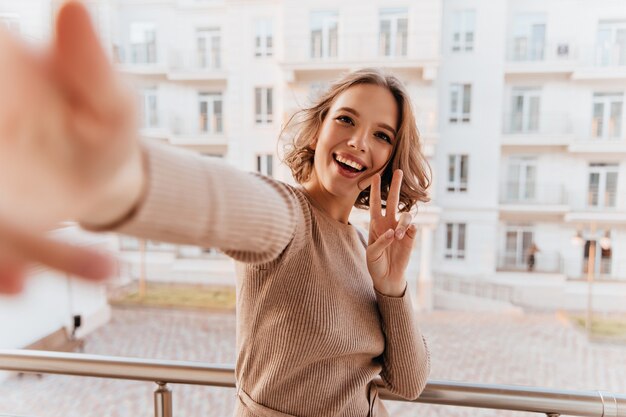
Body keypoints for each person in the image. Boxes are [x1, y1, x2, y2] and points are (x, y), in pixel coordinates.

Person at [0, 2, 431, 415]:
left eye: (382, 135)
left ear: (391, 158)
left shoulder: (364, 248)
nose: (359, 142)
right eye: (346, 120)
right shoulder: (289, 217)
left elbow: (409, 383)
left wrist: (391, 287)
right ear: (318, 130)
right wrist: (109, 176)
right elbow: (220, 201)